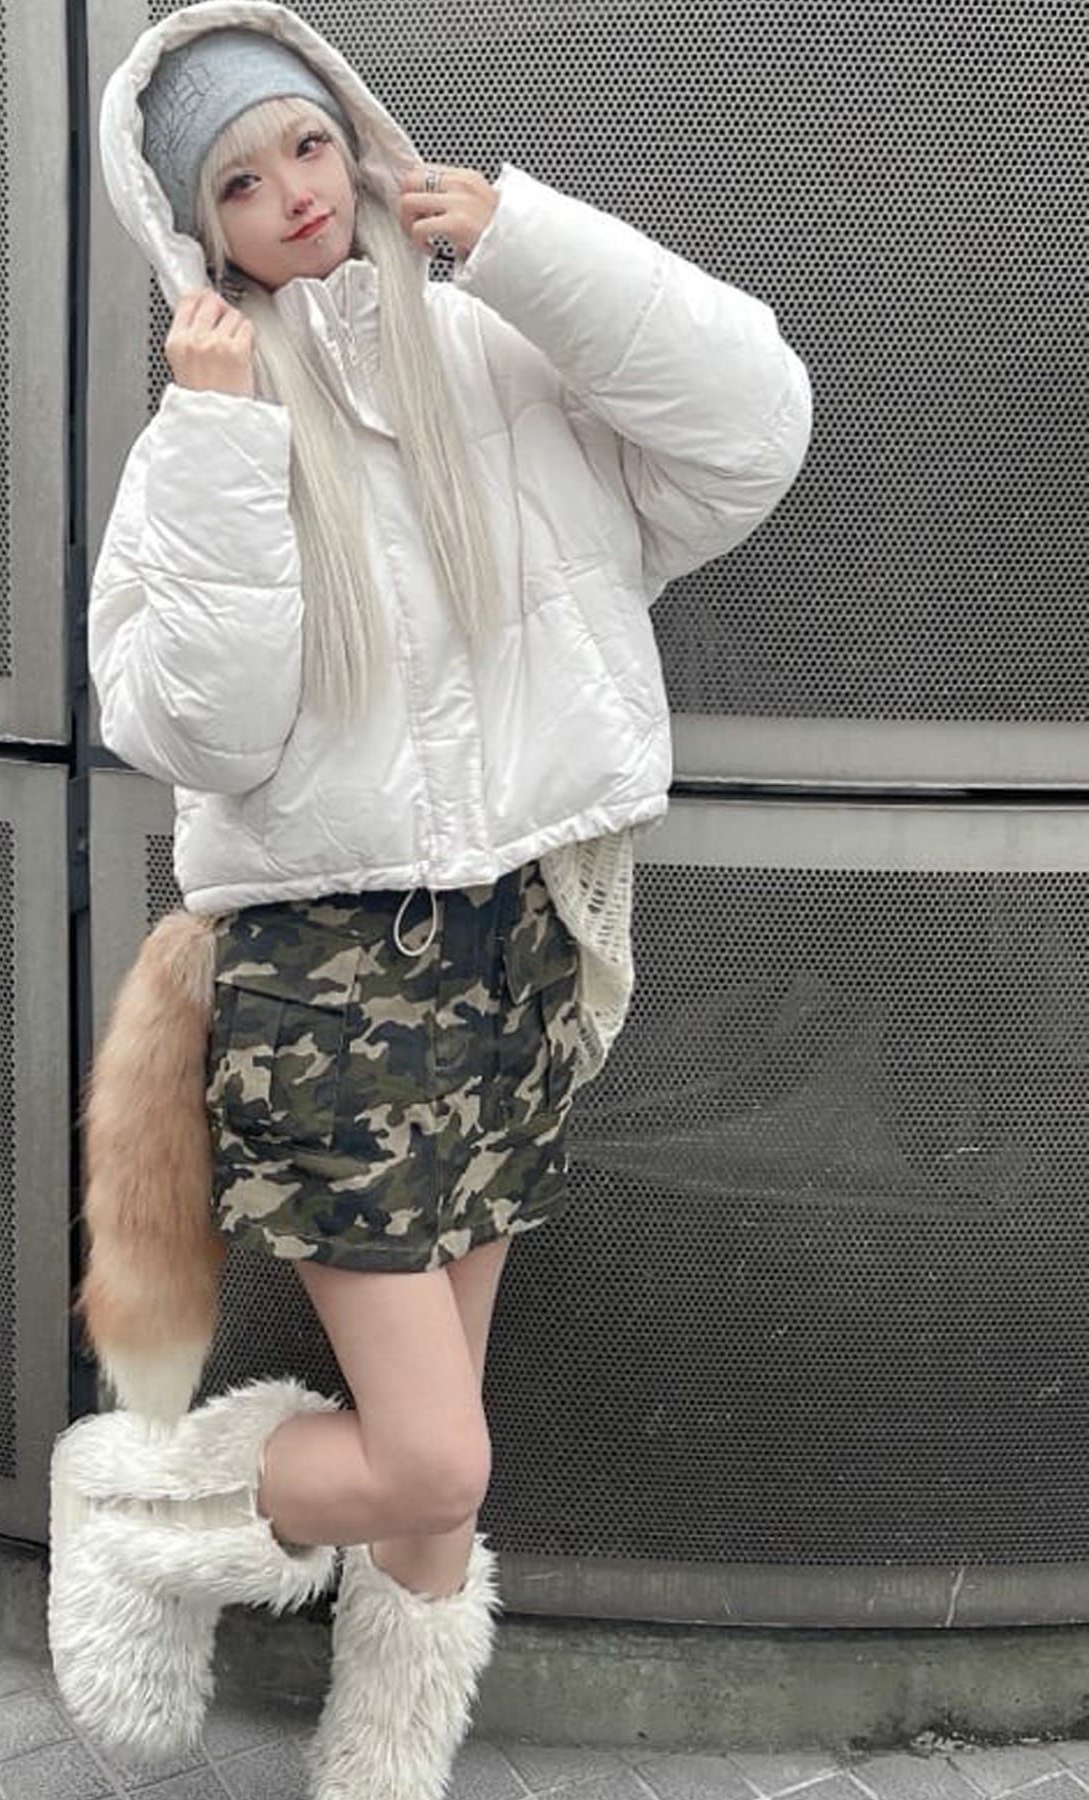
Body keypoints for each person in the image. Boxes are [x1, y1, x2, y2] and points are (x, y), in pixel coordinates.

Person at [50, 4, 813, 1795]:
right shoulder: (199, 441)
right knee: (434, 1457)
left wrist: (534, 248)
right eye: (240, 181)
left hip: (521, 948)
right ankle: (135, 1509)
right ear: (197, 231)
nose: (295, 194)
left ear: (359, 139)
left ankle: (384, 1761)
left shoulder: (496, 345)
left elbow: (753, 431)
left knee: (439, 1444)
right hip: (330, 980)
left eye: (309, 144)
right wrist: (222, 439)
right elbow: (197, 731)